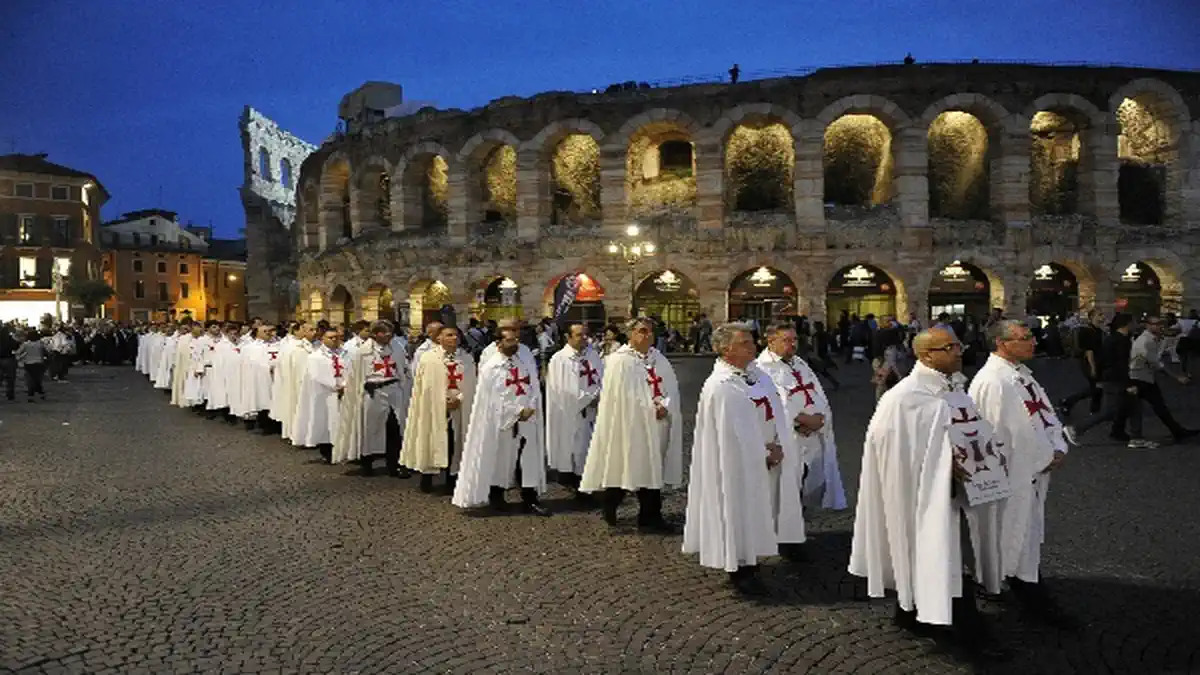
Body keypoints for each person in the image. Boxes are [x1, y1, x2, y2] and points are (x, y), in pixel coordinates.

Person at [849, 328, 1009, 661]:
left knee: (951, 550)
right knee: (939, 551)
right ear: (926, 355)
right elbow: (890, 448)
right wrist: (941, 465)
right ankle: (966, 630)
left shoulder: (954, 389)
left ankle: (909, 612)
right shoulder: (905, 397)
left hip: (960, 490)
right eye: (949, 347)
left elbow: (968, 430)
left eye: (957, 345)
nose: (958, 351)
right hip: (922, 494)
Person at [969, 320, 1075, 629]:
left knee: (1021, 533)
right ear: (1002, 344)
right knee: (1012, 533)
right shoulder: (993, 382)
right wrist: (1040, 457)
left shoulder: (1021, 376)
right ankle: (1032, 598)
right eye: (1024, 338)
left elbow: (1044, 416)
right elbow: (994, 436)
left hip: (1030, 471)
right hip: (1012, 476)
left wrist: (1056, 447)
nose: (1033, 342)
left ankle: (1006, 582)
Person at [683, 323, 788, 596]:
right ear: (726, 349)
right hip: (734, 465)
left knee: (755, 511)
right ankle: (739, 569)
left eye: (752, 340)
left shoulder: (758, 376)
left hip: (764, 458)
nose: (753, 346)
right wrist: (764, 451)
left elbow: (774, 411)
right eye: (744, 343)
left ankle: (752, 559)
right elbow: (733, 434)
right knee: (737, 511)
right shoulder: (721, 386)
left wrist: (778, 443)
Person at [580, 317, 683, 533]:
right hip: (631, 425)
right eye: (642, 331)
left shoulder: (659, 359)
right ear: (630, 334)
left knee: (652, 468)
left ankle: (649, 517)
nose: (647, 336)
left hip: (658, 424)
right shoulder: (619, 361)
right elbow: (620, 397)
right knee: (627, 466)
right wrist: (648, 407)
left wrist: (665, 405)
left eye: (650, 332)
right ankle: (613, 505)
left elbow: (670, 388)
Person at [755, 322, 848, 524]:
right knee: (786, 484)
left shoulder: (799, 363)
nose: (792, 344)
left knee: (804, 479)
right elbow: (773, 401)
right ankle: (787, 535)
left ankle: (795, 521)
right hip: (789, 437)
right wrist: (801, 420)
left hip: (811, 436)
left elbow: (816, 392)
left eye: (795, 339)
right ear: (771, 341)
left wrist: (821, 417)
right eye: (786, 340)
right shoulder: (762, 369)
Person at [451, 326, 549, 515]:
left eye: (516, 340)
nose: (515, 344)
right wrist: (517, 411)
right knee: (500, 460)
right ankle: (497, 498)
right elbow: (494, 399)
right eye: (510, 340)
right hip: (502, 423)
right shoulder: (491, 368)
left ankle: (530, 498)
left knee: (527, 461)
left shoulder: (523, 362)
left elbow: (532, 387)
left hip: (527, 420)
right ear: (498, 343)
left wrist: (531, 406)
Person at [401, 325, 477, 494]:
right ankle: (426, 479)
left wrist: (459, 399)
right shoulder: (429, 359)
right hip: (434, 407)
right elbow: (426, 387)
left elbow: (471, 384)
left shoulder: (466, 358)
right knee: (430, 438)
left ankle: (453, 478)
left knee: (456, 441)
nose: (454, 338)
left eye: (456, 335)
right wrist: (442, 401)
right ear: (439, 338)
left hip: (459, 406)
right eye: (449, 335)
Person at [333, 320, 412, 477]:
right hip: (373, 393)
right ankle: (367, 463)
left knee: (394, 428)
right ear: (375, 334)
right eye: (383, 332)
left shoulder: (397, 348)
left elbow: (404, 370)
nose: (388, 335)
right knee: (369, 429)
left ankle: (394, 464)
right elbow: (355, 375)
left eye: (389, 331)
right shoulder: (362, 352)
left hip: (394, 391)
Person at [1064, 314, 1150, 448]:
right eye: (1134, 322)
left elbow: (1104, 360)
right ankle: (1076, 429)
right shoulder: (1122, 341)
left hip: (1111, 377)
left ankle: (1136, 436)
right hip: (1117, 379)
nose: (1136, 325)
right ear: (1127, 324)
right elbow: (1121, 363)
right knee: (1111, 411)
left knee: (1133, 405)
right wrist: (1128, 384)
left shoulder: (1113, 338)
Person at [545, 323, 604, 501]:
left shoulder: (593, 355)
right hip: (571, 412)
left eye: (586, 335)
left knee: (590, 447)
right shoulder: (559, 359)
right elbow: (561, 389)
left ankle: (590, 482)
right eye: (579, 335)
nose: (584, 338)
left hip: (594, 410)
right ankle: (577, 485)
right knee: (575, 449)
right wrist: (587, 399)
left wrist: (600, 395)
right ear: (568, 337)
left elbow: (602, 377)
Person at [1128, 315, 1196, 444]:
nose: (1159, 326)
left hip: (1143, 377)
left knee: (1156, 406)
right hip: (1139, 378)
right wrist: (1177, 377)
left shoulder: (1153, 339)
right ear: (1147, 326)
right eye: (1155, 324)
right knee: (1120, 408)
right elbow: (1157, 364)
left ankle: (1177, 431)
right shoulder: (1145, 341)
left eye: (1160, 323)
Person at [292, 328, 347, 463]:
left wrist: (346, 385)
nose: (334, 340)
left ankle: (343, 450)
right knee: (326, 422)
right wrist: (335, 386)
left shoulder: (345, 354)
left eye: (336, 337)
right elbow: (316, 376)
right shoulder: (315, 357)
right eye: (330, 337)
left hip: (345, 392)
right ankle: (327, 452)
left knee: (342, 422)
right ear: (322, 339)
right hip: (325, 394)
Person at [1057, 310, 1104, 418]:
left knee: (1097, 388)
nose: (1102, 317)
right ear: (1092, 317)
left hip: (1098, 361)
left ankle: (1094, 410)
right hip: (1089, 362)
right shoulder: (1087, 331)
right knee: (1096, 387)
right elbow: (1089, 351)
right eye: (1099, 314)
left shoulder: (1099, 331)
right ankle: (1068, 401)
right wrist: (1092, 367)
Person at [15, 328, 47, 402]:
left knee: (31, 380)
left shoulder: (26, 344)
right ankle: (40, 393)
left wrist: (21, 357)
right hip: (39, 363)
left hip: (28, 364)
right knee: (37, 379)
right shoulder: (40, 343)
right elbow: (46, 352)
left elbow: (18, 352)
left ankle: (31, 395)